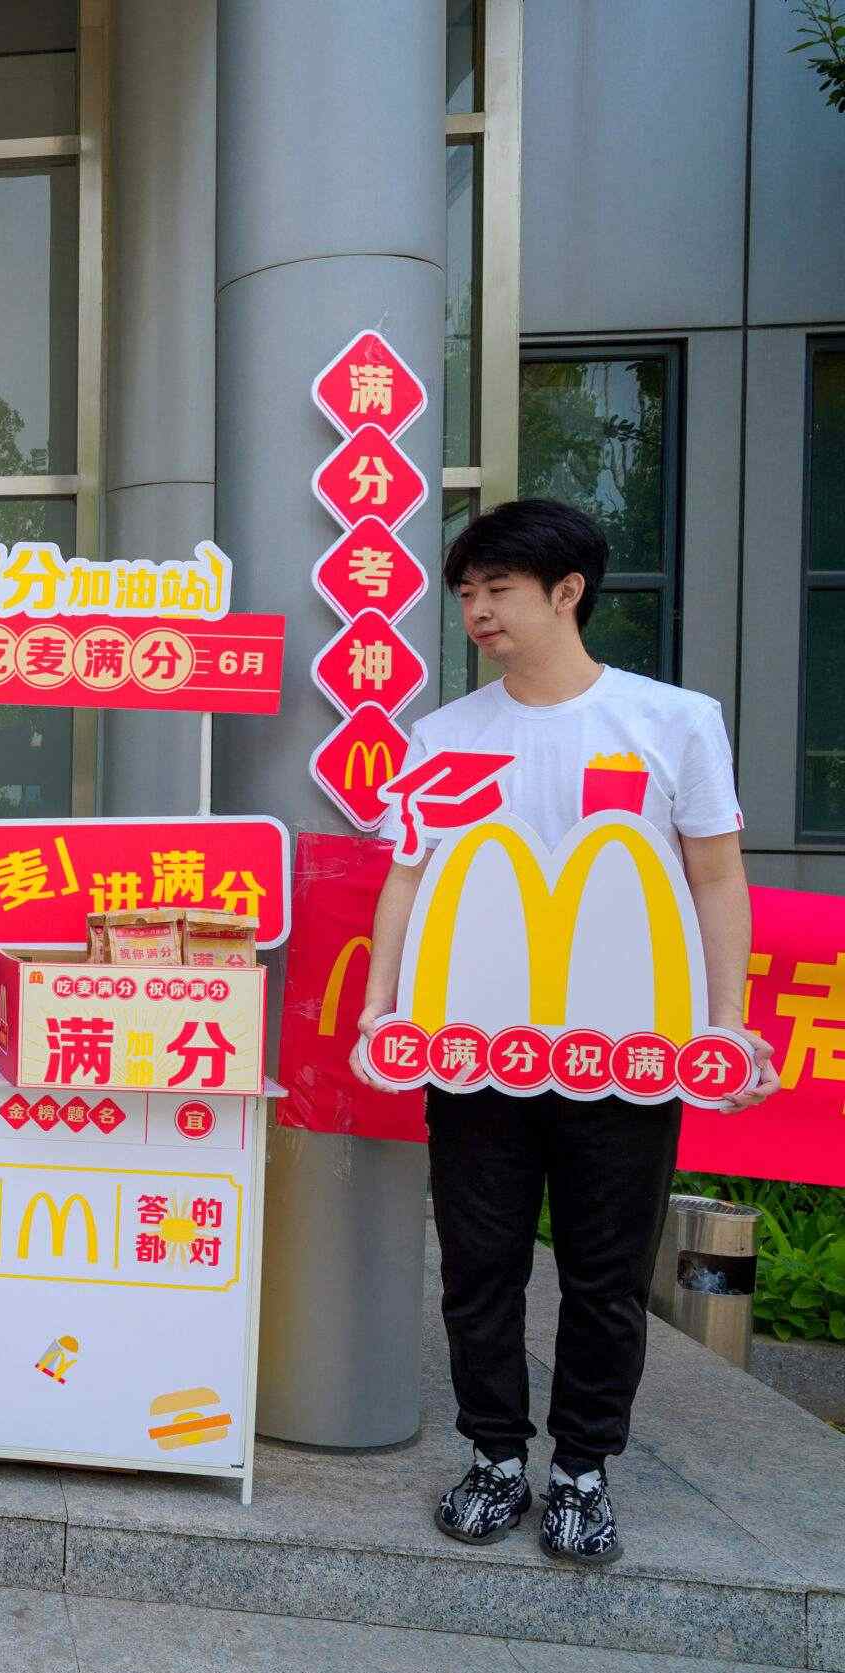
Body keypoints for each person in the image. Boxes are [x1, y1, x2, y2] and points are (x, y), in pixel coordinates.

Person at [352, 499, 776, 1563]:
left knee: (603, 1271)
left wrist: (723, 1023)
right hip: (473, 1054)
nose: (476, 610)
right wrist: (380, 1004)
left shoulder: (672, 721)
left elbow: (715, 877)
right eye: (463, 592)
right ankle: (496, 1456)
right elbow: (407, 875)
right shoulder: (445, 735)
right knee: (477, 1264)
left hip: (625, 1058)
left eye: (496, 588)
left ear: (567, 592)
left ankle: (582, 1468)